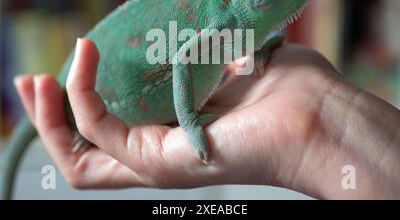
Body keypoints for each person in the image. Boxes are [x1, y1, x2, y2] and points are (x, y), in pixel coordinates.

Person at [14, 38, 400, 199]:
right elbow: (183, 58)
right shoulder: (223, 8)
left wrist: (322, 114)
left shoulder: (237, 22)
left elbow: (223, 48)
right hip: (105, 87)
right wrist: (189, 120)